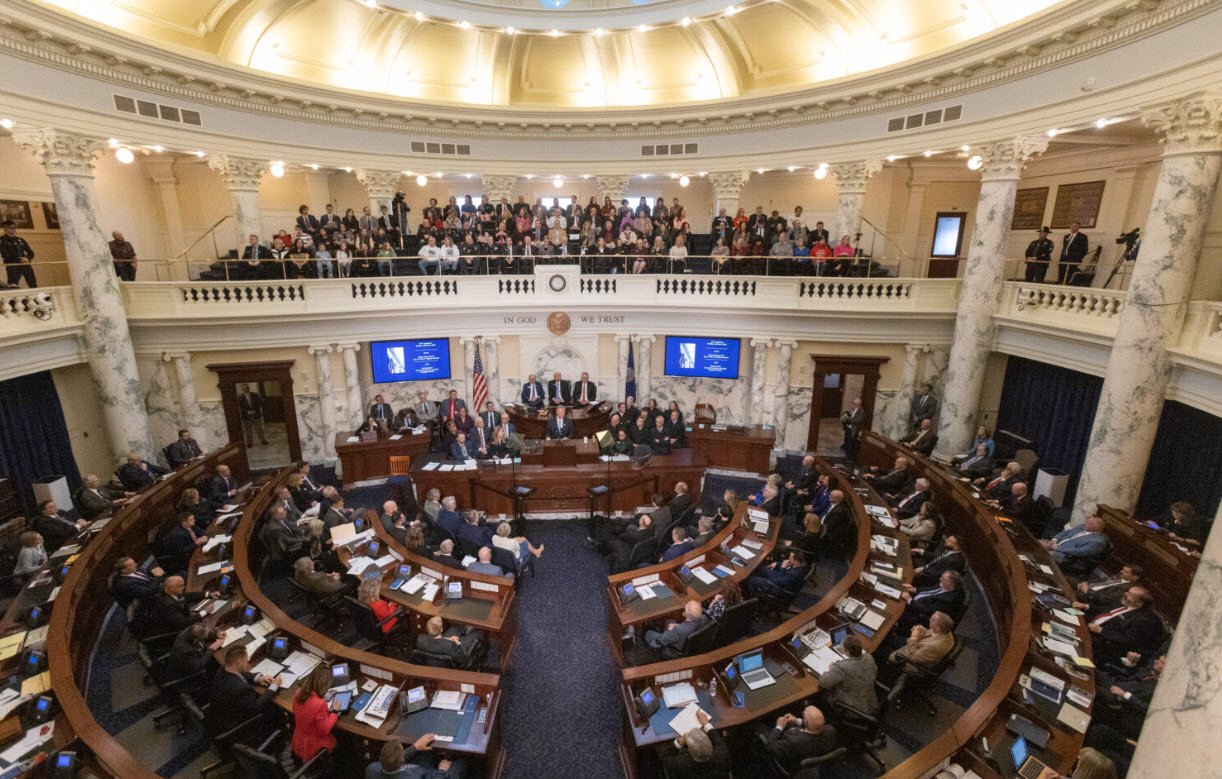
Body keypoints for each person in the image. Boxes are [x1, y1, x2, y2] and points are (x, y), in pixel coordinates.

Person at [207, 644, 279, 736]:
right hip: (233, 724)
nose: (247, 661)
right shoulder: (241, 688)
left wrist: (258, 678)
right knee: (275, 709)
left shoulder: (223, 669)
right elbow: (255, 707)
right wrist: (274, 687)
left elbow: (240, 674)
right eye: (246, 659)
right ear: (239, 663)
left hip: (218, 715)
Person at [1087, 586, 1164, 664]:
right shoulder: (1127, 603)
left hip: (1105, 643)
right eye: (1128, 592)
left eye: (1130, 595)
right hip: (1092, 627)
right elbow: (1105, 611)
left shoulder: (1143, 620)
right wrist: (1086, 606)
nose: (1125, 594)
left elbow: (1128, 640)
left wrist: (1101, 630)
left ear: (1139, 603)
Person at [761, 705, 840, 775]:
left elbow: (770, 746)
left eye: (803, 715)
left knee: (760, 728)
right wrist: (796, 720)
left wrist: (779, 727)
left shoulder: (794, 742)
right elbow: (815, 726)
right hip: (811, 752)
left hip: (789, 758)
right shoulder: (831, 730)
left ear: (806, 722)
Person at [815, 635, 878, 715]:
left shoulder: (842, 667)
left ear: (847, 652)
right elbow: (875, 674)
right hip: (871, 702)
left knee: (823, 692)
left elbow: (824, 683)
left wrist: (831, 670)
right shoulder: (869, 657)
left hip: (854, 710)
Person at [660, 710, 730, 779]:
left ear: (689, 750)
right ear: (710, 745)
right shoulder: (723, 756)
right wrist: (706, 724)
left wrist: (679, 741)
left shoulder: (678, 765)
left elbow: (665, 756)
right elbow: (719, 742)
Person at [290, 665, 339, 762]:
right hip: (313, 748)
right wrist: (334, 712)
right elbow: (324, 730)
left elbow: (295, 709)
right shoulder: (320, 704)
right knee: (337, 739)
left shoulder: (298, 692)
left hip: (298, 743)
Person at [366, 735, 466, 779]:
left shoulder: (371, 768)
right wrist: (442, 769)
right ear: (401, 760)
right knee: (461, 763)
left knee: (426, 751)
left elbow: (393, 759)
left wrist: (415, 747)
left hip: (417, 769)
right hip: (428, 775)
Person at [140, 574, 212, 634]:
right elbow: (183, 623)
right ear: (173, 588)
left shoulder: (170, 592)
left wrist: (207, 594)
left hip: (181, 618)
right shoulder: (168, 605)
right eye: (181, 585)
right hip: (171, 632)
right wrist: (204, 612)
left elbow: (188, 596)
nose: (184, 587)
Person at [899, 571, 966, 631]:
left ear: (951, 585)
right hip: (915, 601)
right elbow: (930, 589)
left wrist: (910, 600)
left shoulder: (947, 601)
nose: (940, 579)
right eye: (941, 576)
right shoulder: (944, 585)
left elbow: (928, 611)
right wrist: (915, 589)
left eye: (943, 579)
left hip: (918, 613)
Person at [889, 611, 955, 668]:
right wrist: (921, 629)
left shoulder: (933, 646)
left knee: (886, 651)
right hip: (920, 648)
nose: (929, 620)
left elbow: (913, 657)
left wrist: (913, 638)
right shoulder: (945, 631)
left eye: (932, 620)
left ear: (938, 628)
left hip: (913, 660)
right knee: (892, 638)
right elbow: (930, 635)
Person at [645, 600, 709, 658]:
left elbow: (662, 639)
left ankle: (651, 650)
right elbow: (689, 627)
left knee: (649, 633)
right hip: (690, 642)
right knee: (669, 621)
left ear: (687, 614)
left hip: (675, 650)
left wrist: (670, 629)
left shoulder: (677, 630)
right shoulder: (704, 618)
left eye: (685, 609)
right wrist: (677, 626)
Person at [1043, 515, 1110, 569]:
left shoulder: (1098, 542)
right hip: (1056, 544)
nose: (1085, 524)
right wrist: (1054, 540)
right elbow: (1066, 532)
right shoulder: (1082, 526)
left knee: (1041, 554)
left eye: (1088, 523)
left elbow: (1079, 551)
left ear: (1094, 528)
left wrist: (1058, 548)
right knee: (1038, 545)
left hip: (1067, 557)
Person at [416, 616, 483, 668]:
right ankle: (471, 631)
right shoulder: (450, 647)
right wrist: (458, 642)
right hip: (449, 662)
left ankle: (464, 630)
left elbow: (436, 641)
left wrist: (447, 639)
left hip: (434, 657)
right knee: (478, 632)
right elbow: (463, 658)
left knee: (454, 629)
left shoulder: (420, 640)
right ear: (441, 630)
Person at [0, 220, 36, 288]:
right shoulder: (1, 240)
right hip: (12, 266)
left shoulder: (20, 240)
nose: (14, 230)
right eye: (11, 228)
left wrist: (27, 258)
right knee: (13, 286)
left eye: (14, 228)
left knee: (33, 285)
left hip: (25, 265)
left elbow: (31, 253)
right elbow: (5, 254)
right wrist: (19, 259)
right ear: (5, 229)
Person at [1059, 220, 1089, 285]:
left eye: (1075, 226)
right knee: (1061, 277)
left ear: (1079, 227)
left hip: (1073, 260)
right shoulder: (1066, 236)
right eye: (1071, 226)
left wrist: (1077, 258)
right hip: (1063, 260)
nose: (1073, 228)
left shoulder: (1082, 237)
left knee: (1069, 278)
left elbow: (1084, 250)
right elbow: (1065, 248)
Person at [840, 397, 865, 462]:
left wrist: (847, 417)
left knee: (852, 444)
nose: (853, 404)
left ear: (858, 404)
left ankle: (851, 458)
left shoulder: (861, 412)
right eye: (853, 403)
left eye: (854, 403)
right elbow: (850, 416)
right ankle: (847, 455)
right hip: (848, 428)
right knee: (847, 441)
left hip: (854, 430)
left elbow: (856, 420)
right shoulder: (853, 409)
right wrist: (845, 416)